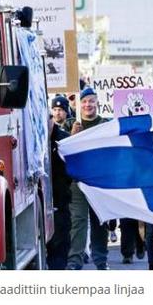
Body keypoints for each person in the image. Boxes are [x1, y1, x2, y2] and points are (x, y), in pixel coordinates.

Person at [66, 87, 111, 270]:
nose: (87, 105)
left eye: (91, 101)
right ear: (78, 104)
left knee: (100, 221)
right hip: (77, 182)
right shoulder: (71, 124)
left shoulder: (106, 124)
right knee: (78, 221)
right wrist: (72, 136)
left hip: (98, 181)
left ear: (97, 103)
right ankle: (75, 261)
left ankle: (101, 260)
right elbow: (60, 150)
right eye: (84, 102)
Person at [47, 96, 73, 269]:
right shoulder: (36, 140)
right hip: (42, 202)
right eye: (53, 110)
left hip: (59, 201)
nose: (56, 113)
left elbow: (70, 169)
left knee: (60, 245)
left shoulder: (63, 139)